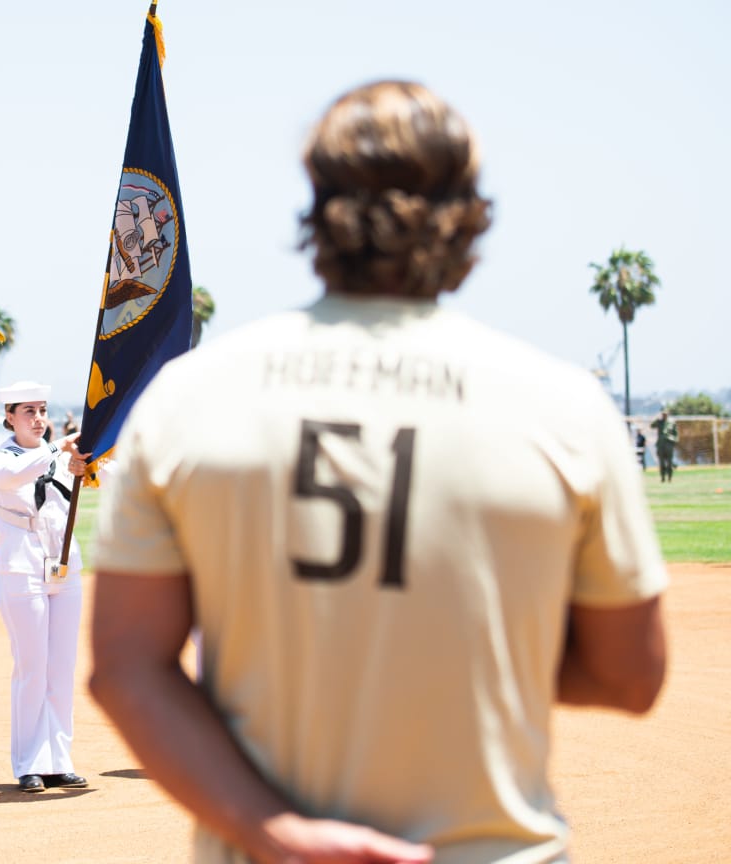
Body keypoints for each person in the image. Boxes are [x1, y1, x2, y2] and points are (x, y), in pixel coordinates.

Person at [89, 80, 667, 864]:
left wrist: (274, 831)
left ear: (319, 208)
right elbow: (631, 676)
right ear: (467, 216)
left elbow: (127, 666)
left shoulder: (191, 400)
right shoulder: (563, 406)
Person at [0, 381, 90, 794]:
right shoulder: (1, 459)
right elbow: (22, 473)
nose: (38, 418)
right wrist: (60, 448)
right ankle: (30, 761)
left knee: (61, 668)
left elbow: (89, 477)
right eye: (27, 411)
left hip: (63, 564)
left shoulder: (59, 456)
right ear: (9, 416)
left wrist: (85, 462)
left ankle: (59, 759)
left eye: (42, 410)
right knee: (32, 668)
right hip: (22, 566)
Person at [651, 408, 678, 483]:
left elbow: (676, 434)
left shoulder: (672, 423)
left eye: (665, 414)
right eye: (663, 414)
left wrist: (673, 442)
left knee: (669, 463)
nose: (664, 415)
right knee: (661, 463)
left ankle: (670, 478)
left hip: (669, 445)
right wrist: (656, 419)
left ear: (668, 414)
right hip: (660, 445)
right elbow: (652, 426)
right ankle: (662, 477)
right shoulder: (659, 422)